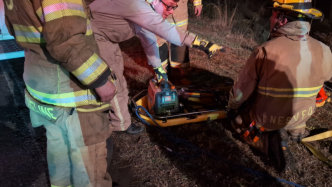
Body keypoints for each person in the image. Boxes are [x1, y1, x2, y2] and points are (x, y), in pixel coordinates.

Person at [4, 0, 116, 186]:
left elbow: (15, 29)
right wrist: (101, 81)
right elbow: (66, 41)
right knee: (88, 174)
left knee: (60, 159)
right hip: (71, 95)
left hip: (42, 89)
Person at [86, 0, 224, 134]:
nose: (170, 12)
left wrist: (158, 69)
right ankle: (120, 124)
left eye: (173, 8)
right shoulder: (136, 4)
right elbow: (165, 29)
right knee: (113, 78)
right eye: (169, 7)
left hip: (107, 36)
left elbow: (149, 39)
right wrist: (201, 43)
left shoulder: (145, 7)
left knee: (118, 74)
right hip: (94, 34)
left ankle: (118, 111)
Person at [227, 0, 332, 154]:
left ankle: (267, 142)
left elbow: (241, 91)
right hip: (300, 118)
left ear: (282, 19)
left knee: (236, 121)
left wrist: (232, 107)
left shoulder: (265, 51)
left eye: (273, 15)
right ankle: (297, 132)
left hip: (269, 120)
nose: (270, 19)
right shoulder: (325, 50)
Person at [155, 0, 203, 82]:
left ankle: (180, 75)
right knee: (159, 44)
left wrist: (197, 3)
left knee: (180, 42)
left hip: (180, 10)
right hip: (159, 8)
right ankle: (162, 76)